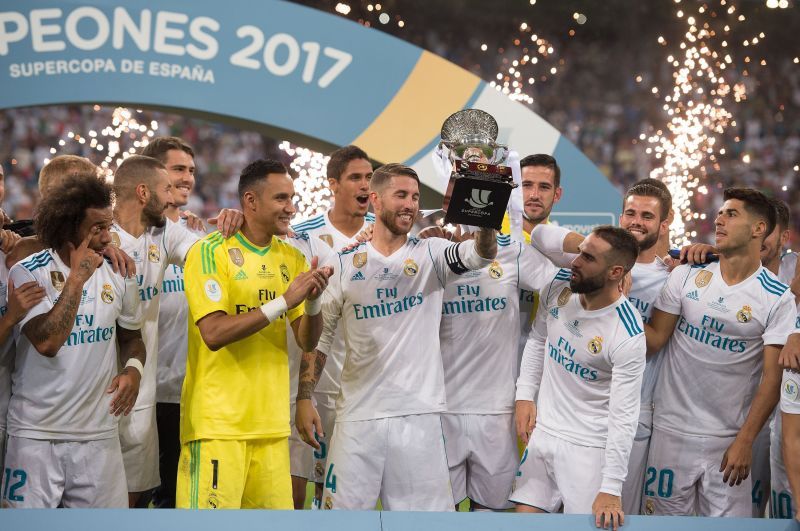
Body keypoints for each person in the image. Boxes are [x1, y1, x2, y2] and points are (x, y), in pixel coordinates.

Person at [297, 163, 497, 511]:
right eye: (401, 195)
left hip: (418, 417)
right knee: (342, 521)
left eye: (415, 197)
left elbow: (480, 255)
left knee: (424, 526)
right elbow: (320, 340)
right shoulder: (343, 263)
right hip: (358, 418)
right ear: (375, 199)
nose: (410, 204)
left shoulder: (432, 255)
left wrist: (485, 216)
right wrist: (304, 398)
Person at [178, 158, 331, 509]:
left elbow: (307, 341)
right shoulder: (208, 252)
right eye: (281, 199)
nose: (290, 208)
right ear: (250, 201)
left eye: (292, 198)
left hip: (272, 426)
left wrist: (311, 302)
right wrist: (283, 301)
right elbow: (213, 333)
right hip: (218, 427)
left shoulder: (291, 258)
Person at [643, 187, 797, 517]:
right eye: (720, 213)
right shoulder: (686, 274)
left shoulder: (776, 297)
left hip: (729, 441)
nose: (719, 219)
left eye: (731, 214)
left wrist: (745, 440)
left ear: (758, 229)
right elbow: (654, 339)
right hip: (671, 431)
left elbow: (772, 378)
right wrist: (612, 308)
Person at [0, 175, 145, 508]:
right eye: (97, 228)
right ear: (68, 228)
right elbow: (48, 342)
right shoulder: (27, 272)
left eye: (108, 226)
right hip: (36, 437)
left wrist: (134, 368)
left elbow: (132, 336)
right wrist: (77, 279)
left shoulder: (119, 270)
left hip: (99, 437)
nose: (108, 237)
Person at [511, 226, 645, 531]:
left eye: (588, 257)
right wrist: (524, 396)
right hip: (544, 434)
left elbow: (624, 417)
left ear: (615, 272)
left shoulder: (626, 333)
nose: (575, 261)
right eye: (579, 251)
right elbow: (538, 339)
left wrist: (611, 487)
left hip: (589, 449)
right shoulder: (559, 287)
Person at [110, 154, 203, 506]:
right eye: (166, 188)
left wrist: (240, 229)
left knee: (133, 502)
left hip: (139, 393)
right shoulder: (93, 235)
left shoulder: (163, 233)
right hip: (89, 394)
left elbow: (206, 254)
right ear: (143, 192)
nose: (173, 197)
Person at [288, 145, 374, 508]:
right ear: (333, 184)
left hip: (362, 389)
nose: (365, 185)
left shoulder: (385, 236)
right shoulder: (303, 235)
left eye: (370, 178)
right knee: (293, 493)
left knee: (336, 498)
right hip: (312, 382)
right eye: (356, 177)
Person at [139, 137, 206, 508]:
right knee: (131, 498)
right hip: (138, 394)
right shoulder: (127, 241)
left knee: (178, 501)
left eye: (191, 171)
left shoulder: (200, 238)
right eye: (178, 169)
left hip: (187, 395)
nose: (187, 178)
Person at [617, 182, 673, 516]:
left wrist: (620, 301)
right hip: (582, 409)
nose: (637, 221)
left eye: (648, 216)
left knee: (619, 512)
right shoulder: (595, 263)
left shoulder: (673, 278)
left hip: (634, 411)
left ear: (664, 224)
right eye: (631, 213)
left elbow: (653, 344)